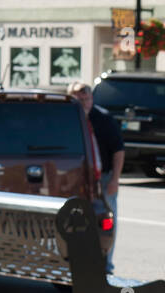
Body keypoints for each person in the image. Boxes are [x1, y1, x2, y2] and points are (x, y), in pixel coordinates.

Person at [69, 82, 124, 275]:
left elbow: (118, 151)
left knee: (107, 220)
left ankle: (106, 265)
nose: (83, 102)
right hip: (77, 179)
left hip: (104, 177)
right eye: (78, 98)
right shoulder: (67, 118)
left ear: (92, 99)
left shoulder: (103, 118)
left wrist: (115, 180)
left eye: (87, 98)